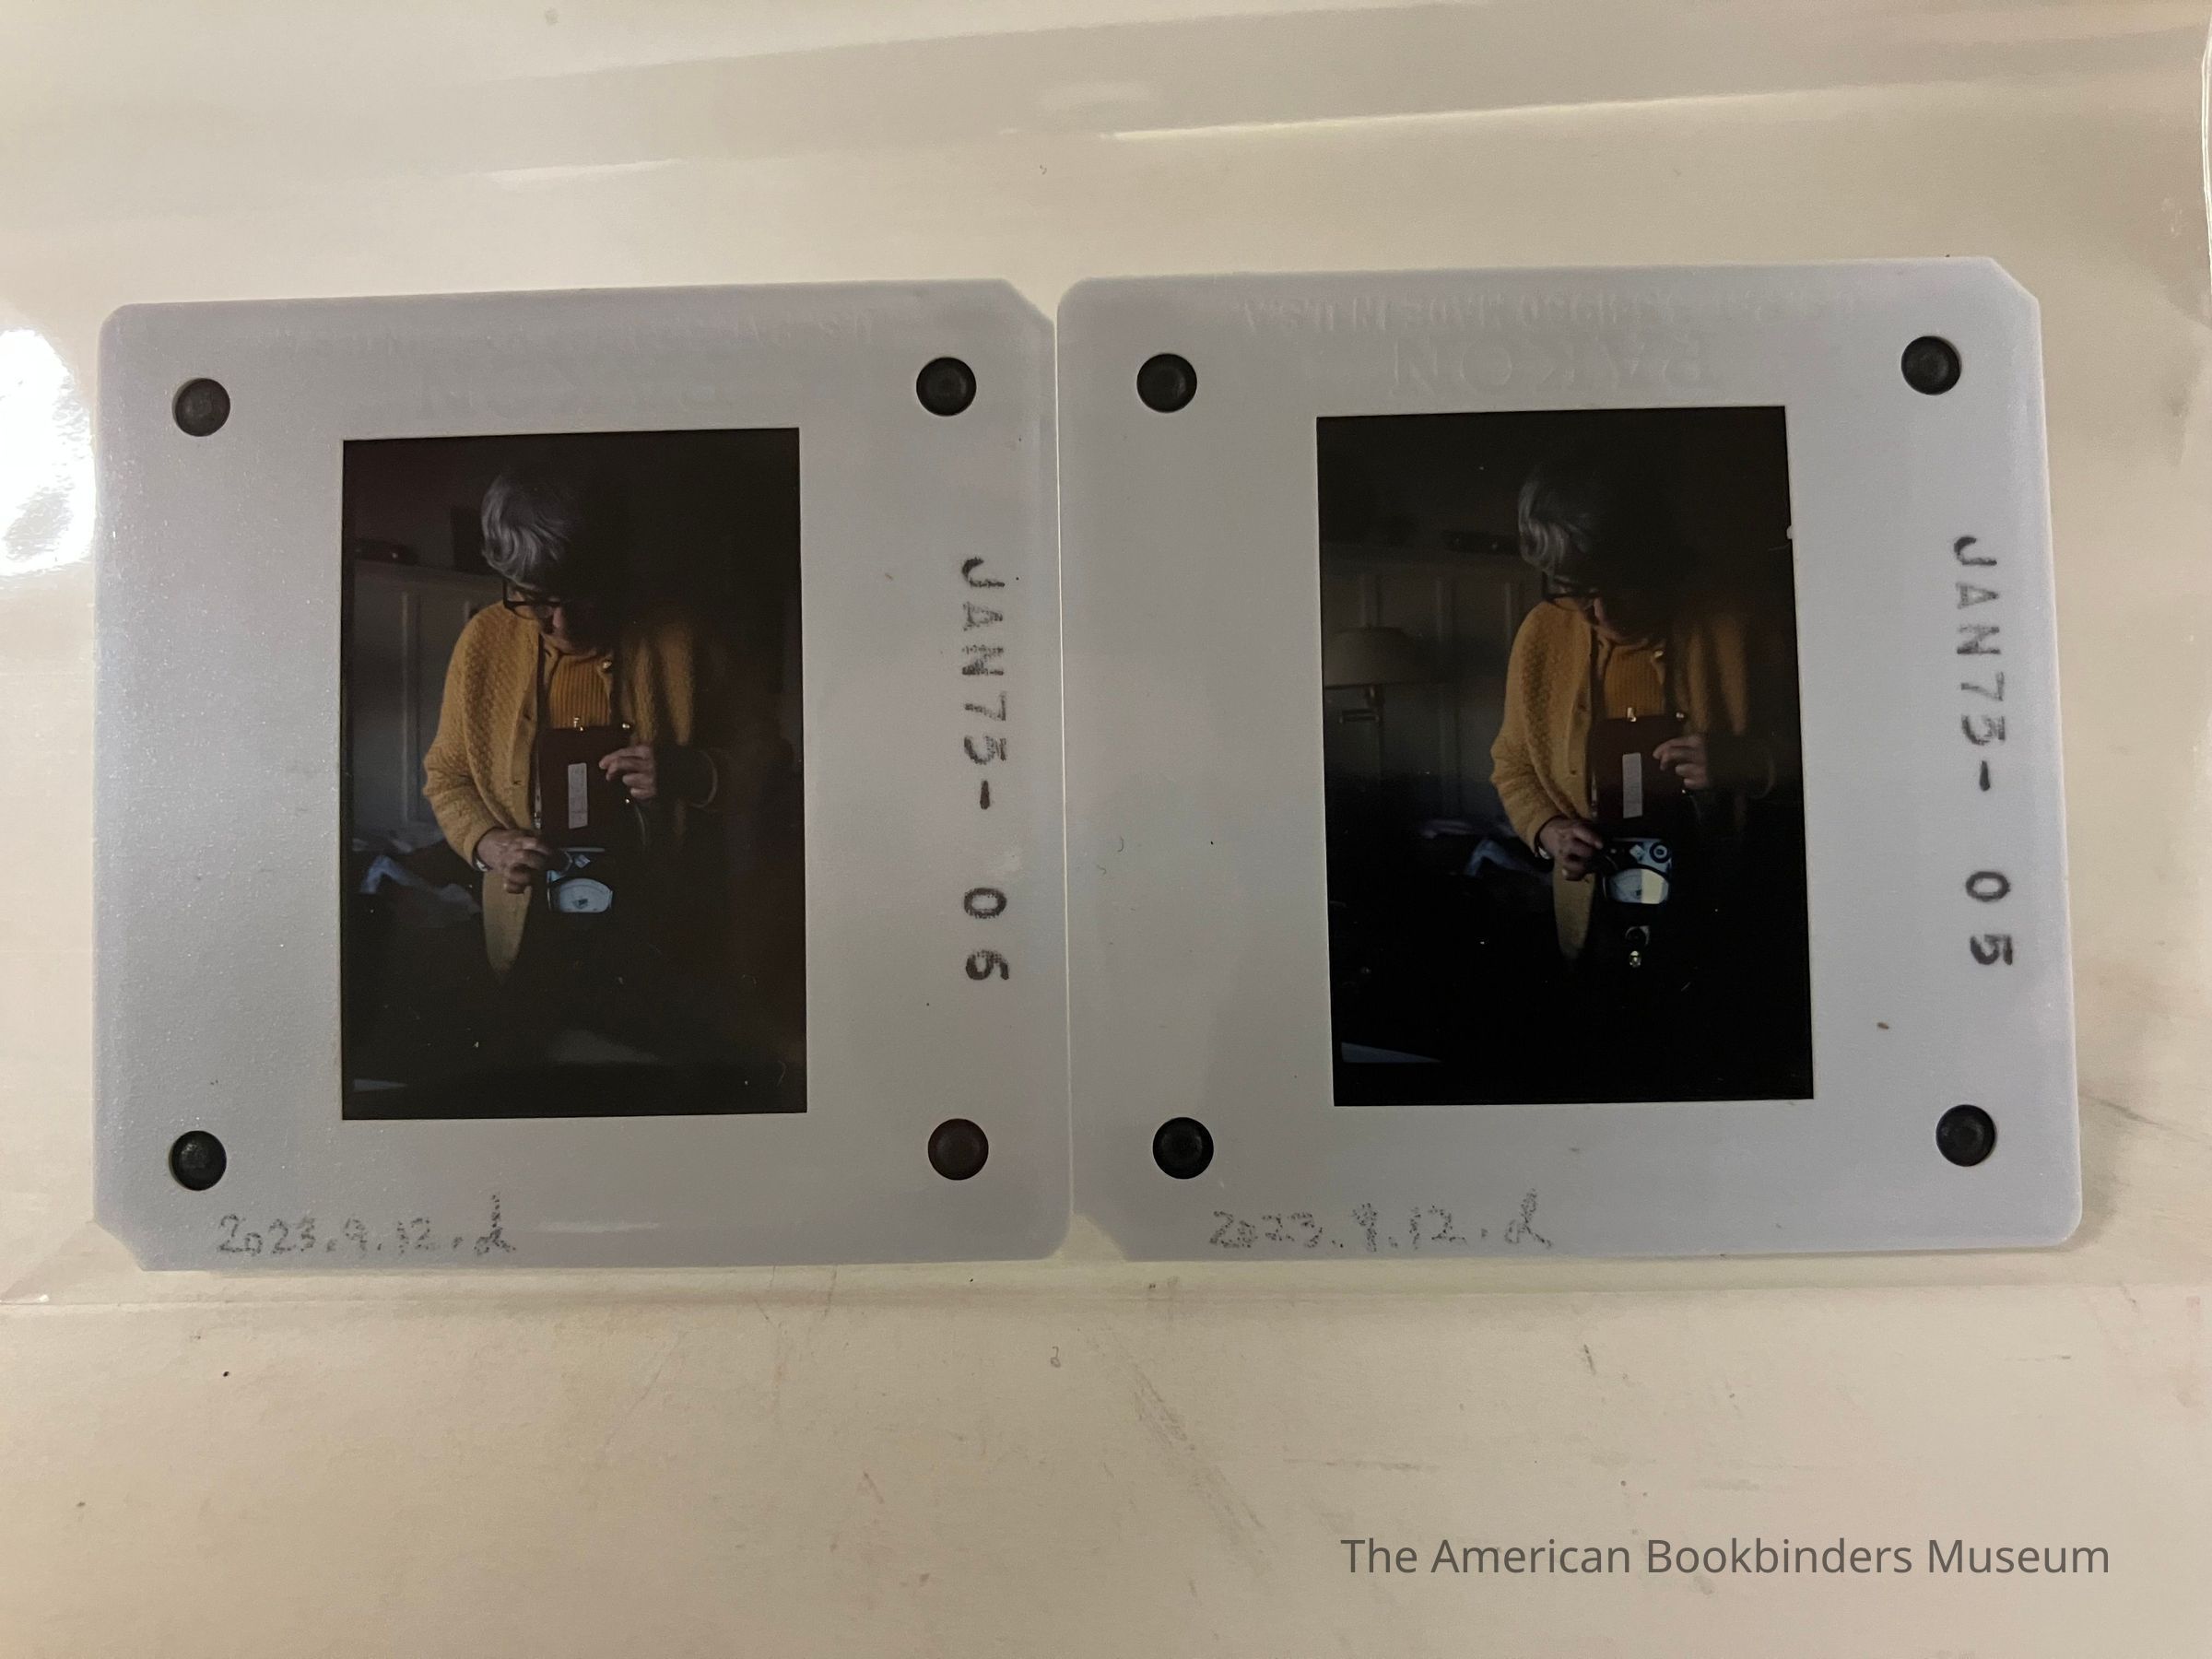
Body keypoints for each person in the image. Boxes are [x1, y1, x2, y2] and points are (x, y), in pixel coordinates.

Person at [421, 464, 771, 1065]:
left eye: (580, 595)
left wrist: (692, 773)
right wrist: (490, 845)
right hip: (529, 923)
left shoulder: (686, 639)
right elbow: (447, 776)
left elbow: (766, 758)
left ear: (617, 571)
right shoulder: (482, 642)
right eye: (534, 600)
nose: (559, 623)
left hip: (662, 923)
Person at [1488, 446, 1804, 1095]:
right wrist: (1547, 830)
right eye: (1576, 590)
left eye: (1619, 583)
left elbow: (1835, 754)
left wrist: (1751, 762)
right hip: (1595, 929)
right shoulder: (1543, 635)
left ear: (1658, 559)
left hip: (1725, 921)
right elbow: (1512, 763)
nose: (1600, 613)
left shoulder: (1743, 622)